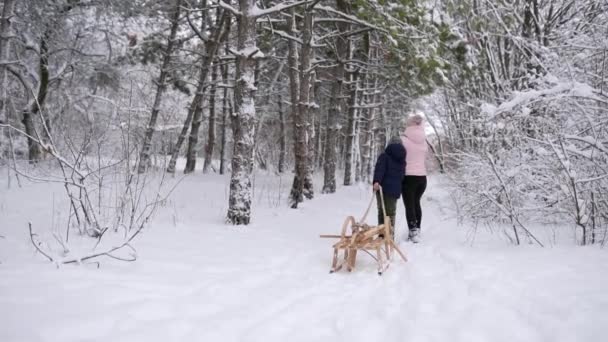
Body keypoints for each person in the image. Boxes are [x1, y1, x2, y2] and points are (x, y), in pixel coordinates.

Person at [372, 136, 406, 240]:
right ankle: (390, 236)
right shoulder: (402, 160)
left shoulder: (384, 156)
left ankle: (382, 235)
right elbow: (402, 176)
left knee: (382, 211)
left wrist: (376, 181)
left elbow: (380, 169)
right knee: (391, 212)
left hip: (382, 188)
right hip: (394, 190)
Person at [401, 114, 428, 243]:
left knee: (409, 205)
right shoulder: (424, 141)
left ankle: (413, 232)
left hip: (408, 177)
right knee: (416, 203)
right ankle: (417, 229)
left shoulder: (403, 139)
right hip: (422, 178)